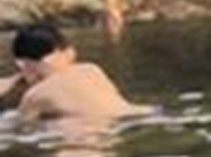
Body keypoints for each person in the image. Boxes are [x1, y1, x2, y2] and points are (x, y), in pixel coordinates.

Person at [1, 21, 148, 120]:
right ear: (69, 52)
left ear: (23, 65)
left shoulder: (35, 96)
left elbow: (21, 127)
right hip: (139, 114)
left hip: (90, 126)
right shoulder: (92, 70)